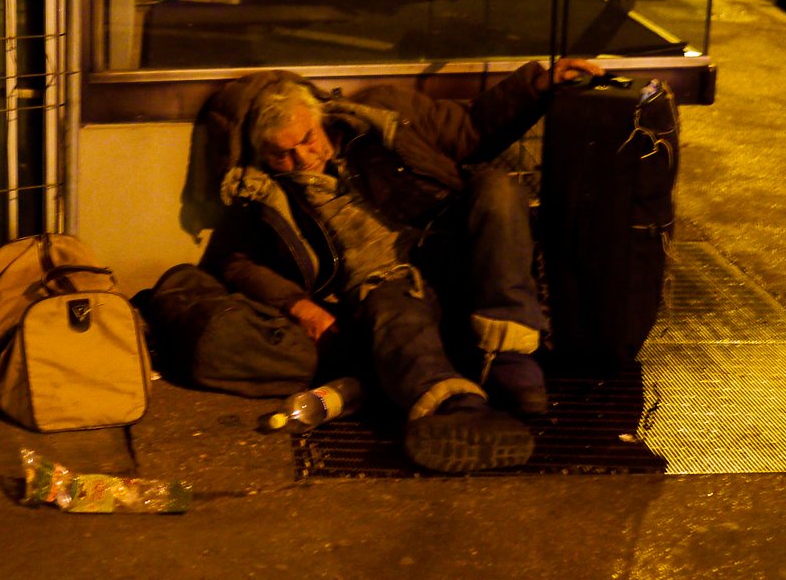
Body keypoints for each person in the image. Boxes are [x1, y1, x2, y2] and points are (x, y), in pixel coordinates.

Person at [198, 57, 603, 473]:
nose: (302, 158)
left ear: (320, 117)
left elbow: (471, 127)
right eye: (282, 154)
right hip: (382, 282)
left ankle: (509, 358)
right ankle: (456, 408)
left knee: (498, 189)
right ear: (262, 154)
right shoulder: (262, 196)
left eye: (307, 138)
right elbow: (236, 263)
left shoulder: (382, 116)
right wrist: (298, 305)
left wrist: (540, 83)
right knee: (394, 316)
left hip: (446, 243)